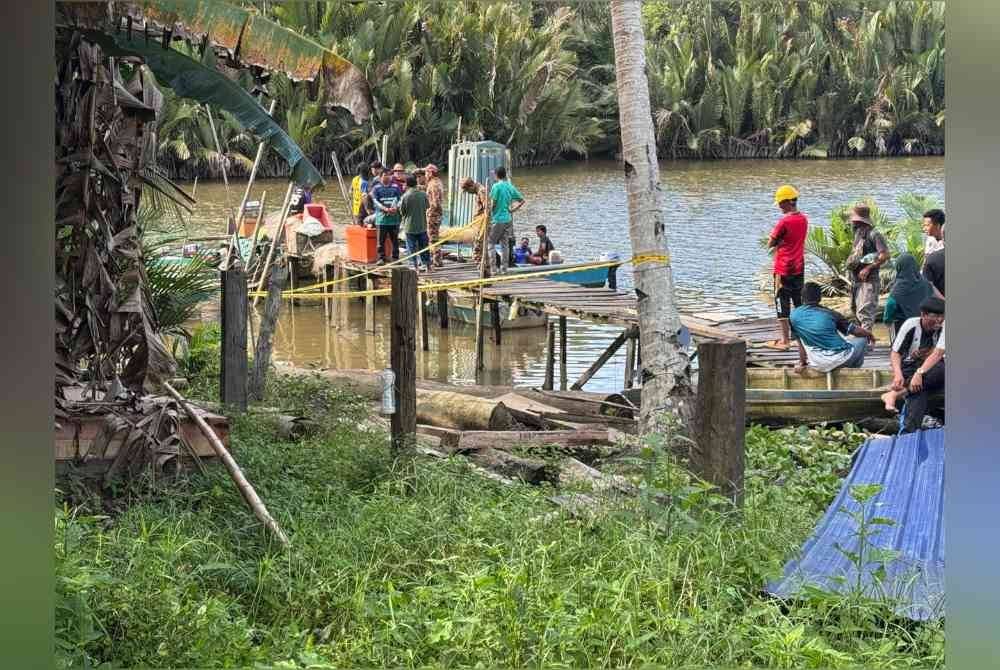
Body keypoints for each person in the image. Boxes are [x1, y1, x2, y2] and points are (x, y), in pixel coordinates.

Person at [880, 296, 945, 433]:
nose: (940, 320)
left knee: (939, 371)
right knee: (919, 390)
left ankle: (893, 395)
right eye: (936, 316)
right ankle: (909, 431)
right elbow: (895, 353)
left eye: (942, 316)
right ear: (923, 315)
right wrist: (898, 374)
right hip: (911, 368)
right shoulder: (911, 325)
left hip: (932, 369)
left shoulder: (945, 327)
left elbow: (938, 354)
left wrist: (919, 373)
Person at [790, 282, 875, 373]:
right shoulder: (830, 313)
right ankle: (853, 370)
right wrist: (869, 334)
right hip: (842, 359)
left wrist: (802, 363)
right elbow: (856, 331)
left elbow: (800, 345)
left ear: (802, 298)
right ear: (820, 298)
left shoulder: (793, 316)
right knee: (862, 339)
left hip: (818, 364)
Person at [765, 184, 809, 350]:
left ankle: (785, 341)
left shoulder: (784, 222)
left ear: (787, 202)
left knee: (781, 303)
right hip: (798, 267)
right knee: (799, 302)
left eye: (780, 203)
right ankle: (801, 337)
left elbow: (770, 243)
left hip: (783, 268)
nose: (778, 206)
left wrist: (779, 242)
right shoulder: (803, 219)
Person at [846, 203, 890, 333]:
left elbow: (885, 254)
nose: (852, 222)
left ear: (859, 220)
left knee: (865, 311)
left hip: (869, 280)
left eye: (854, 220)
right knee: (855, 310)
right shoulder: (859, 233)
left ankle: (866, 341)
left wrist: (869, 268)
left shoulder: (874, 234)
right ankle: (863, 338)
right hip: (856, 279)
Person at [883, 252, 934, 338]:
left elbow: (890, 305)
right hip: (925, 327)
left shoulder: (898, 287)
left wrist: (887, 320)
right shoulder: (926, 283)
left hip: (904, 328)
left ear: (899, 267)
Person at [488, 166, 525, 274]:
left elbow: (493, 204)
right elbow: (522, 200)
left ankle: (493, 270)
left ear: (496, 175)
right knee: (505, 244)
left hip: (498, 220)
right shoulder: (510, 186)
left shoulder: (496, 186)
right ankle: (504, 269)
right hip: (508, 220)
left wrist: (488, 214)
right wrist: (512, 210)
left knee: (490, 243)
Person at [399, 175, 432, 272]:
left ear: (407, 185)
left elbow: (402, 211)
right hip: (422, 225)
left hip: (410, 227)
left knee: (411, 248)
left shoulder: (405, 196)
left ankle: (415, 267)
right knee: (424, 247)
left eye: (404, 183)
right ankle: (428, 266)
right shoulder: (423, 194)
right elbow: (427, 206)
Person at [370, 169, 402, 264]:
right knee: (381, 240)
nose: (387, 177)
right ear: (380, 177)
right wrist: (384, 208)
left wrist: (396, 207)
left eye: (389, 175)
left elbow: (400, 199)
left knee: (395, 240)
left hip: (394, 219)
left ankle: (395, 257)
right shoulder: (376, 188)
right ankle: (381, 258)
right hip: (381, 219)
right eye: (385, 175)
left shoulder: (395, 187)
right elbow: (375, 201)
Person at [461, 177, 491, 264]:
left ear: (471, 187)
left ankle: (484, 269)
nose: (468, 193)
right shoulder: (478, 192)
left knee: (478, 249)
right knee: (479, 249)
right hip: (478, 224)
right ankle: (484, 269)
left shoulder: (482, 191)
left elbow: (488, 209)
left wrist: (483, 225)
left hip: (482, 224)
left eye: (467, 191)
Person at [425, 164, 445, 267]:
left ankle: (436, 260)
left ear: (431, 173)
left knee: (433, 238)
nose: (425, 175)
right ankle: (436, 259)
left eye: (427, 172)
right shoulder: (438, 182)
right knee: (435, 237)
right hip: (436, 214)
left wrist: (431, 211)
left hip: (433, 214)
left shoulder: (433, 184)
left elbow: (436, 202)